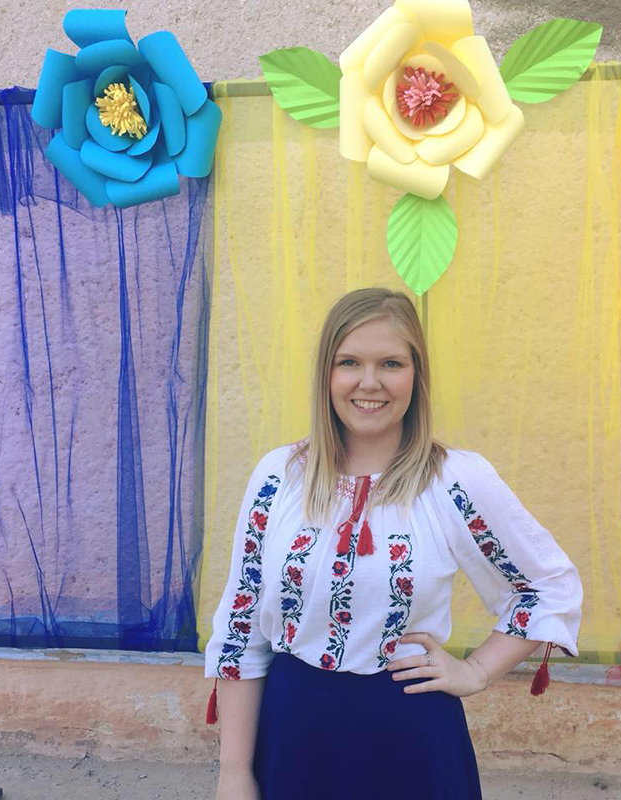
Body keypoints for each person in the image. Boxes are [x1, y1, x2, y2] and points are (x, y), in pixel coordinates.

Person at [204, 288, 582, 800]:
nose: (369, 382)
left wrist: (475, 670)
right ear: (326, 373)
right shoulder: (280, 477)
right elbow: (242, 627)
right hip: (294, 734)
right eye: (349, 362)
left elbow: (549, 586)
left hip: (413, 736)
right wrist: (233, 772)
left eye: (390, 363)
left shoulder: (454, 480)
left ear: (415, 375)